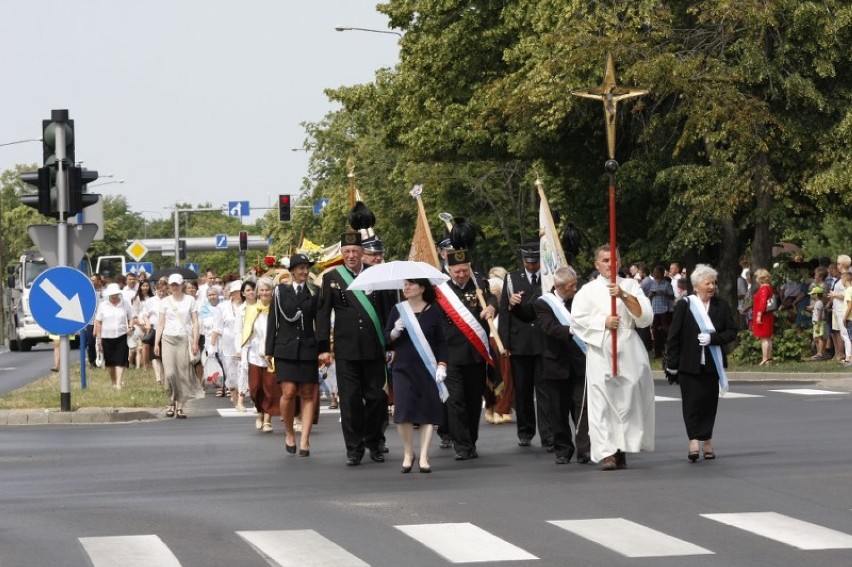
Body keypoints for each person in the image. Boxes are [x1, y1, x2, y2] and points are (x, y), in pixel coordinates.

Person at [571, 245, 655, 471]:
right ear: (596, 264)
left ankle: (621, 447)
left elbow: (644, 317)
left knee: (627, 400)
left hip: (628, 347)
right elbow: (576, 321)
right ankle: (606, 452)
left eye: (614, 259)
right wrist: (603, 323)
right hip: (601, 348)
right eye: (605, 260)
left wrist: (624, 295)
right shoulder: (587, 291)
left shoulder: (630, 285)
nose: (610, 264)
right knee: (601, 402)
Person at [317, 231, 393, 466]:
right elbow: (322, 314)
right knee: (349, 401)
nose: (351, 256)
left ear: (362, 254)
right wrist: (323, 348)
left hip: (373, 348)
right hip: (346, 349)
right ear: (342, 254)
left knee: (376, 398)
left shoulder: (376, 276)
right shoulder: (332, 277)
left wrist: (390, 344)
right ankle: (354, 448)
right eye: (347, 252)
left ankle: (374, 441)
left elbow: (388, 312)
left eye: (355, 252)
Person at [665, 264, 737, 462]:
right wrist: (671, 363)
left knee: (709, 403)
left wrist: (713, 339)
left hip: (712, 364)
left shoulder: (720, 306)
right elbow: (674, 337)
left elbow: (731, 332)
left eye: (714, 283)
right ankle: (693, 440)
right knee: (691, 404)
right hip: (689, 364)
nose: (712, 287)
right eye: (708, 283)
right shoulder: (685, 305)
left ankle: (707, 440)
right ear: (696, 286)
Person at [436, 247, 497, 461]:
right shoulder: (440, 290)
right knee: (455, 401)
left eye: (464, 270)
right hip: (450, 354)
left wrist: (491, 307)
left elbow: (492, 299)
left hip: (475, 353)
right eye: (457, 271)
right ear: (449, 269)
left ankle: (471, 440)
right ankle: (461, 445)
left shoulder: (479, 285)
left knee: (472, 401)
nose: (461, 275)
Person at [385, 279, 447, 473]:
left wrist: (442, 365)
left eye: (411, 284)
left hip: (428, 368)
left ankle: (424, 456)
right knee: (403, 412)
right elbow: (386, 339)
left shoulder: (434, 311)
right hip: (403, 367)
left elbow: (442, 342)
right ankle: (408, 453)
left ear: (421, 288)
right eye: (405, 284)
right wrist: (395, 332)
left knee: (428, 411)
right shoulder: (398, 309)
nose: (406, 288)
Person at [534, 266, 591, 465]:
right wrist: (574, 330)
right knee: (557, 411)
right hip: (555, 363)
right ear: (558, 286)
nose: (574, 289)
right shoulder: (543, 304)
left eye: (575, 284)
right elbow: (549, 327)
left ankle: (585, 449)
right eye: (570, 286)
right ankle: (563, 449)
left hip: (579, 362)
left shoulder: (580, 299)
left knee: (582, 408)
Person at [266, 254, 320, 456]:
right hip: (285, 349)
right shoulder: (280, 291)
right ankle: (289, 433)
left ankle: (305, 439)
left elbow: (320, 323)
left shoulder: (315, 292)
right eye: (300, 268)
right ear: (292, 270)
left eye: (307, 268)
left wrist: (323, 349)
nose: (304, 272)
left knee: (307, 394)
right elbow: (274, 320)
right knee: (288, 393)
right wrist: (269, 350)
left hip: (307, 348)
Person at [498, 242, 550, 450]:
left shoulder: (547, 277)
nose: (531, 266)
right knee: (523, 390)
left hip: (543, 339)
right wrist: (505, 342)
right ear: (522, 260)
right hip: (520, 342)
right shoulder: (511, 278)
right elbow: (504, 311)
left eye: (535, 262)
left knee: (545, 390)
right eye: (528, 263)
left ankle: (548, 434)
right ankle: (526, 431)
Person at [153, 274, 199, 419]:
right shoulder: (165, 301)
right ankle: (171, 401)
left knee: (183, 373)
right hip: (167, 338)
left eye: (177, 284)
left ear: (182, 285)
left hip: (184, 338)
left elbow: (195, 322)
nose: (174, 287)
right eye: (172, 285)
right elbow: (160, 323)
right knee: (170, 373)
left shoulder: (190, 300)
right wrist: (156, 342)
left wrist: (195, 342)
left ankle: (180, 406)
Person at [241, 277, 280, 432]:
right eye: (261, 290)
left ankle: (267, 420)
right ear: (257, 292)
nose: (264, 293)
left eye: (267, 290)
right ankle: (259, 412)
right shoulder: (251, 310)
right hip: (254, 356)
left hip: (272, 356)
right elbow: (246, 334)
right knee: (256, 388)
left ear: (272, 292)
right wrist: (244, 357)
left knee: (269, 388)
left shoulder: (277, 310)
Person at [94, 283, 134, 389]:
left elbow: (131, 317)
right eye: (112, 295)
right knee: (110, 362)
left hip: (121, 335)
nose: (114, 296)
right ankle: (113, 381)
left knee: (121, 359)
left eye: (116, 294)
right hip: (107, 336)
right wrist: (99, 338)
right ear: (108, 295)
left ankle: (119, 383)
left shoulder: (125, 304)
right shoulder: (103, 305)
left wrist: (130, 327)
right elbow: (98, 322)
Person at [215, 280, 245, 408]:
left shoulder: (248, 306)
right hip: (227, 345)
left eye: (240, 292)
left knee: (244, 371)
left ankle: (242, 399)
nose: (238, 294)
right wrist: (212, 346)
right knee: (231, 372)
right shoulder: (222, 307)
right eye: (236, 292)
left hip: (245, 344)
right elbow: (217, 328)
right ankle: (235, 397)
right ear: (231, 293)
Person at [641, 265, 674, 358]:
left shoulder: (666, 284)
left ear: (661, 273)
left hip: (664, 310)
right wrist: (650, 295)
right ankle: (657, 352)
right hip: (655, 310)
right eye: (654, 272)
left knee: (666, 330)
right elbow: (649, 297)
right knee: (655, 331)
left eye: (656, 272)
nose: (654, 274)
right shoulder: (653, 284)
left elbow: (672, 297)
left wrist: (664, 294)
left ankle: (669, 349)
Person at [751, 268, 776, 365]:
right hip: (768, 315)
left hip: (763, 316)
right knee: (768, 338)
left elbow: (762, 302)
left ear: (760, 278)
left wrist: (759, 315)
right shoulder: (769, 287)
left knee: (764, 338)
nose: (756, 278)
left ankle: (765, 358)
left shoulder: (763, 289)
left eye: (757, 276)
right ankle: (769, 358)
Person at [807, 286, 827, 360]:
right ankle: (820, 353)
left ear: (816, 294)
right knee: (816, 338)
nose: (811, 295)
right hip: (816, 323)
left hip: (818, 323)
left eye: (812, 294)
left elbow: (819, 315)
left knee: (819, 338)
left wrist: (818, 324)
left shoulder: (818, 303)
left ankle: (820, 353)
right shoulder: (818, 303)